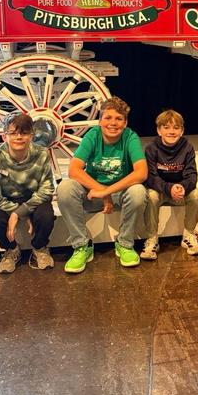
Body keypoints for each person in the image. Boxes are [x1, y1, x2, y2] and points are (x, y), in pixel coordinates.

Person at [57, 96, 147, 272]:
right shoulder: (93, 135)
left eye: (118, 118)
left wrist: (108, 191)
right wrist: (103, 193)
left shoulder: (130, 137)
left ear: (125, 122)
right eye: (108, 118)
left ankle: (125, 244)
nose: (113, 123)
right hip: (94, 193)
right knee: (65, 188)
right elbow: (74, 170)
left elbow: (141, 173)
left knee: (138, 191)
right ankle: (81, 246)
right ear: (100, 121)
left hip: (119, 193)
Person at [0, 112, 55, 273]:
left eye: (24, 132)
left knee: (46, 215)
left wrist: (19, 213)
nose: (19, 137)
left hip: (34, 199)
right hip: (6, 200)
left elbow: (47, 190)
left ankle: (39, 248)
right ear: (4, 137)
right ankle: (11, 249)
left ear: (32, 135)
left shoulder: (42, 154)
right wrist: (19, 212)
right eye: (13, 133)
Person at [141, 109, 198, 260]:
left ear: (182, 131)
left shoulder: (187, 147)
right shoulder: (151, 148)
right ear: (158, 130)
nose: (171, 131)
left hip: (179, 190)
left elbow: (191, 174)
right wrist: (169, 188)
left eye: (176, 128)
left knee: (196, 195)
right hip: (161, 190)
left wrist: (182, 187)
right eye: (166, 127)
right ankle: (152, 239)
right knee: (151, 195)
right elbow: (151, 178)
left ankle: (189, 235)